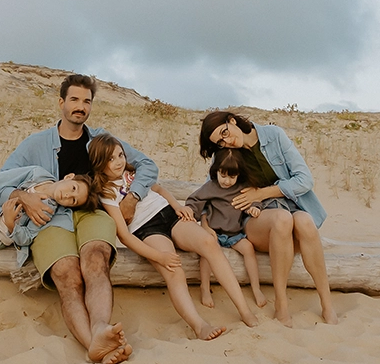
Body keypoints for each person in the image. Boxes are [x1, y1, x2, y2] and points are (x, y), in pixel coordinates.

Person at [2, 73, 154, 364]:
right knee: (67, 273)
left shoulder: (100, 140)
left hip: (92, 211)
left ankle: (100, 328)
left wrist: (133, 197)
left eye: (86, 101)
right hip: (48, 219)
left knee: (95, 260)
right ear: (61, 102)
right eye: (74, 99)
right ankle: (92, 343)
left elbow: (147, 165)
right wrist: (25, 196)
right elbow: (1, 182)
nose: (80, 106)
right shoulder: (35, 145)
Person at [91, 132, 260, 339]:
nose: (118, 162)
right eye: (110, 159)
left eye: (120, 155)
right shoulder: (106, 193)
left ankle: (244, 310)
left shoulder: (133, 173)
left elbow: (159, 189)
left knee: (209, 242)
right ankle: (199, 326)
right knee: (174, 270)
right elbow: (124, 236)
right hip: (147, 229)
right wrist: (158, 257)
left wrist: (177, 205)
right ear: (99, 163)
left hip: (169, 215)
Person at [200, 110, 337, 325]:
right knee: (282, 219)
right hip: (255, 219)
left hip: (292, 208)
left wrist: (262, 192)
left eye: (225, 133)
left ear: (232, 120)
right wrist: (205, 222)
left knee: (305, 221)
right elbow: (209, 191)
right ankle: (281, 304)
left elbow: (304, 180)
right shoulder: (226, 155)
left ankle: (327, 304)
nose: (226, 142)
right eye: (220, 142)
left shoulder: (273, 135)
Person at [186, 147, 267, 310]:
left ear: (239, 174)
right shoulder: (211, 187)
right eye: (223, 175)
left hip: (234, 233)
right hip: (213, 232)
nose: (226, 180)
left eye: (232, 176)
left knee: (249, 249)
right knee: (206, 255)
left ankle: (256, 288)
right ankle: (204, 288)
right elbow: (194, 200)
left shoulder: (242, 188)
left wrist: (255, 208)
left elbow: (255, 199)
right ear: (216, 171)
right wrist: (190, 212)